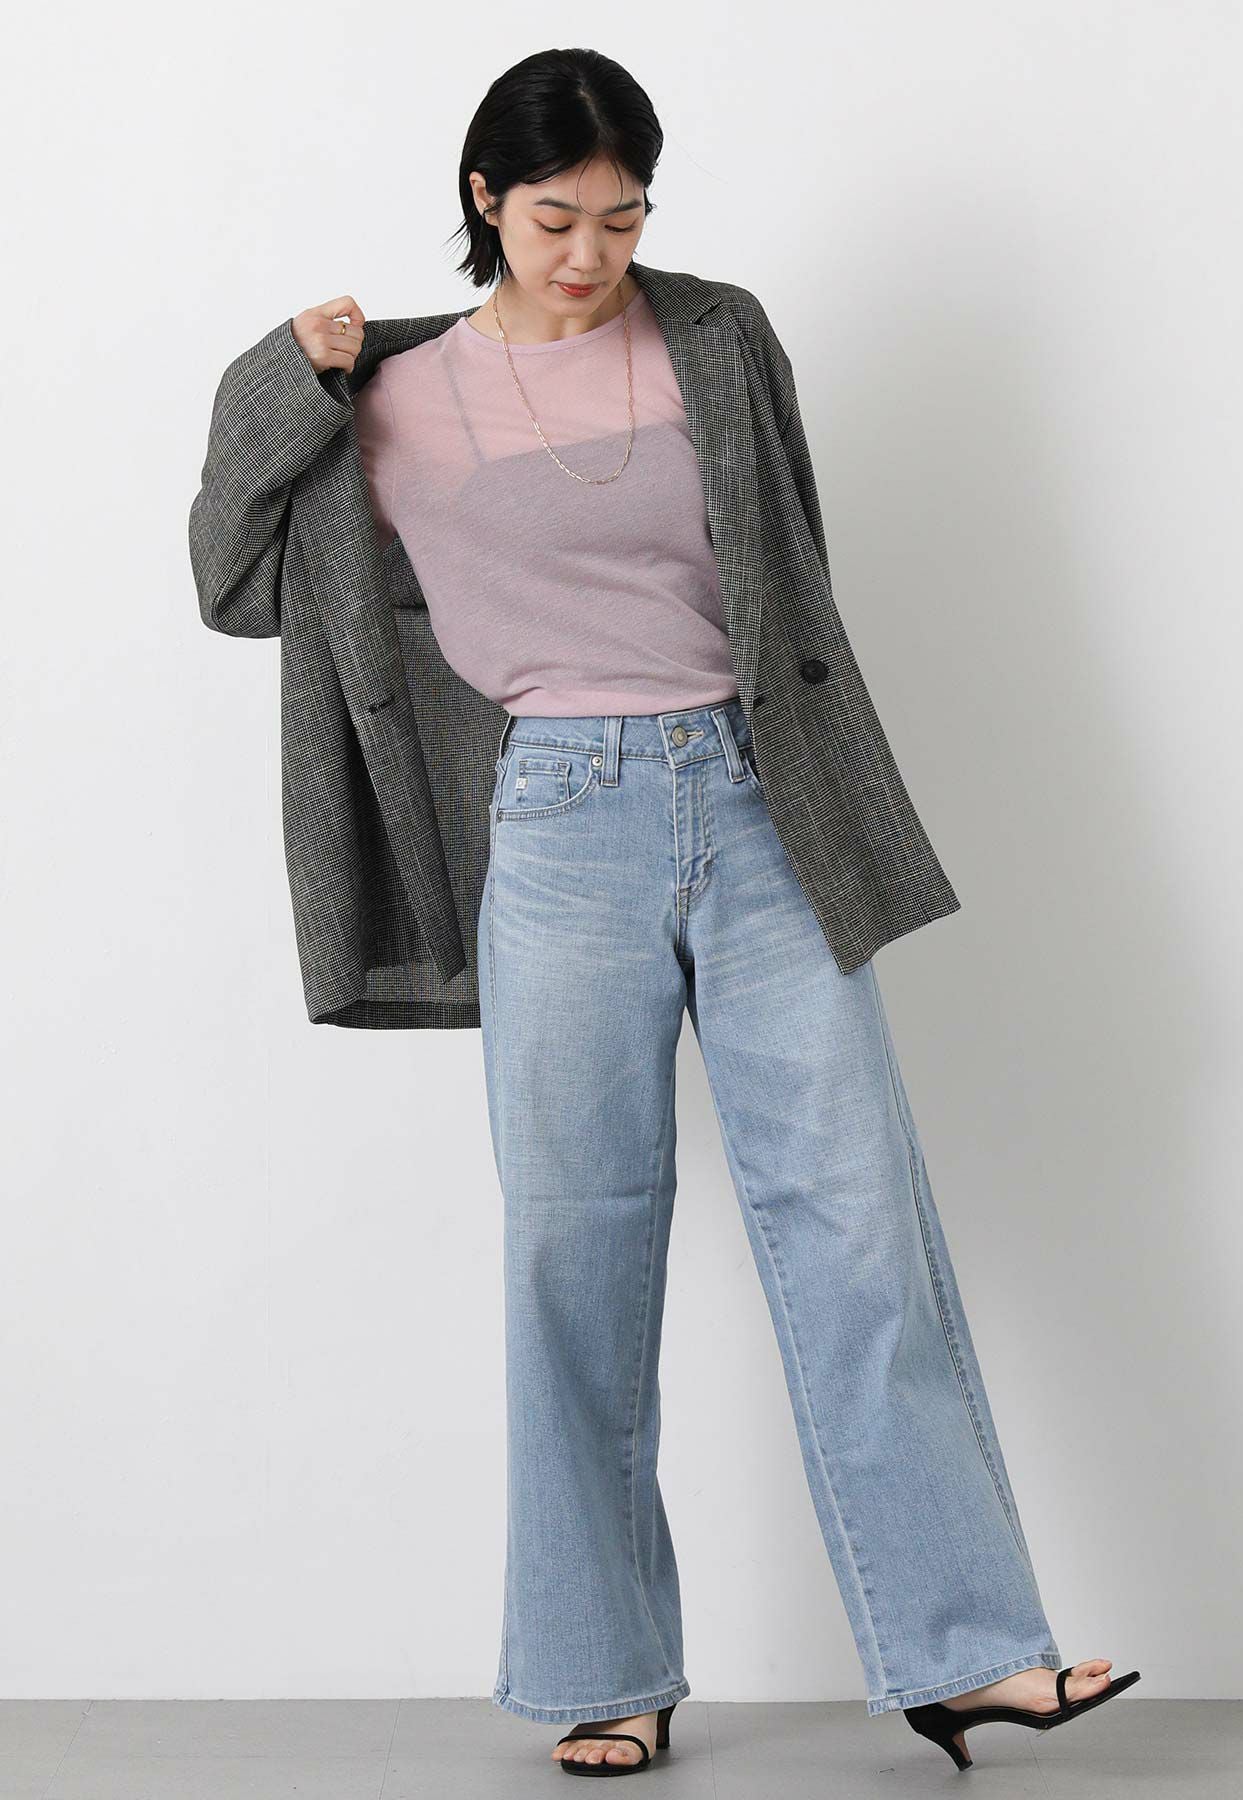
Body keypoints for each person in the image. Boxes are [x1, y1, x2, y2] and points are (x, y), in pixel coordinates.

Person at [293, 46, 1138, 1779]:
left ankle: (966, 1653)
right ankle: (605, 1671)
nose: (591, 253)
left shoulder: (721, 338)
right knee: (573, 1249)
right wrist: (278, 379)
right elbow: (236, 573)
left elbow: (789, 569)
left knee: (858, 1222)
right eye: (556, 218)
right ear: (483, 200)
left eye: (623, 217)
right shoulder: (393, 400)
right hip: (557, 824)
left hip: (758, 806)